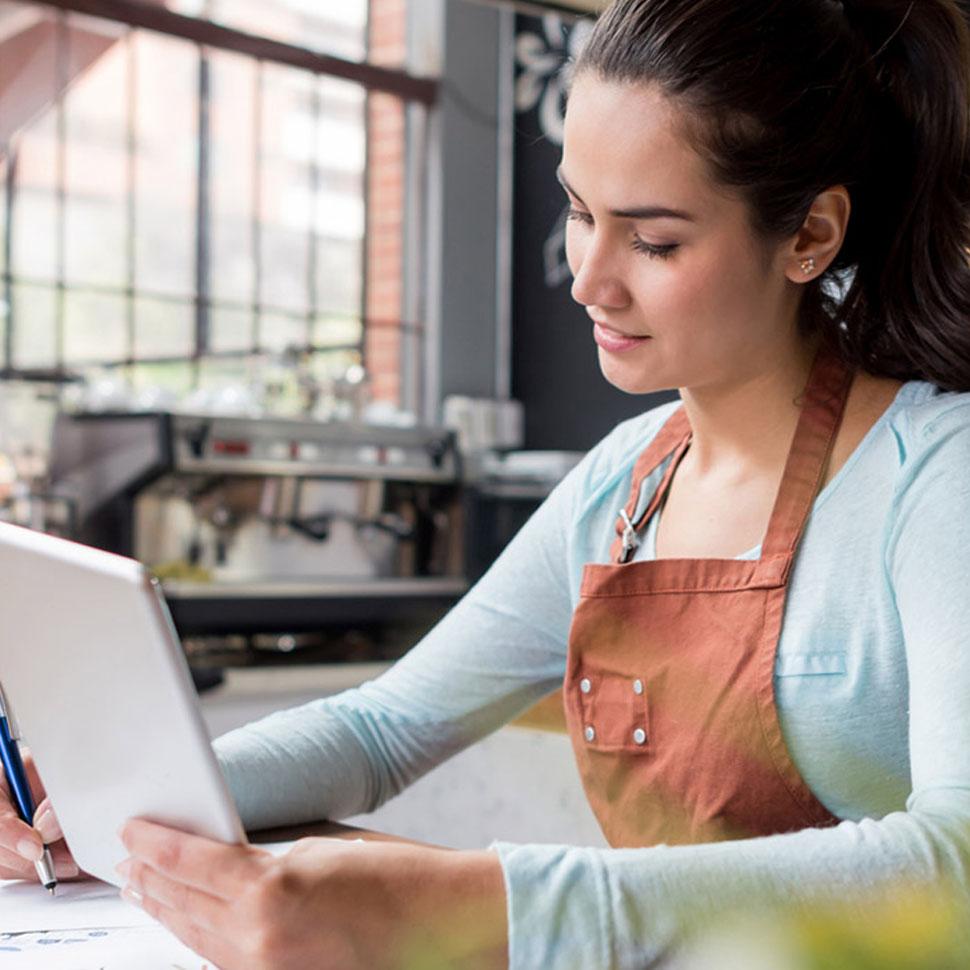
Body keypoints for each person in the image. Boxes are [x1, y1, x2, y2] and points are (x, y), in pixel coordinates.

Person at [4, 0, 970, 966]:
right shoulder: (619, 489)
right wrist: (115, 794)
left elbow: (955, 864)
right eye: (581, 212)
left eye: (654, 240)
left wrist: (485, 903)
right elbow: (384, 729)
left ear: (808, 235)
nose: (588, 277)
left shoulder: (938, 473)